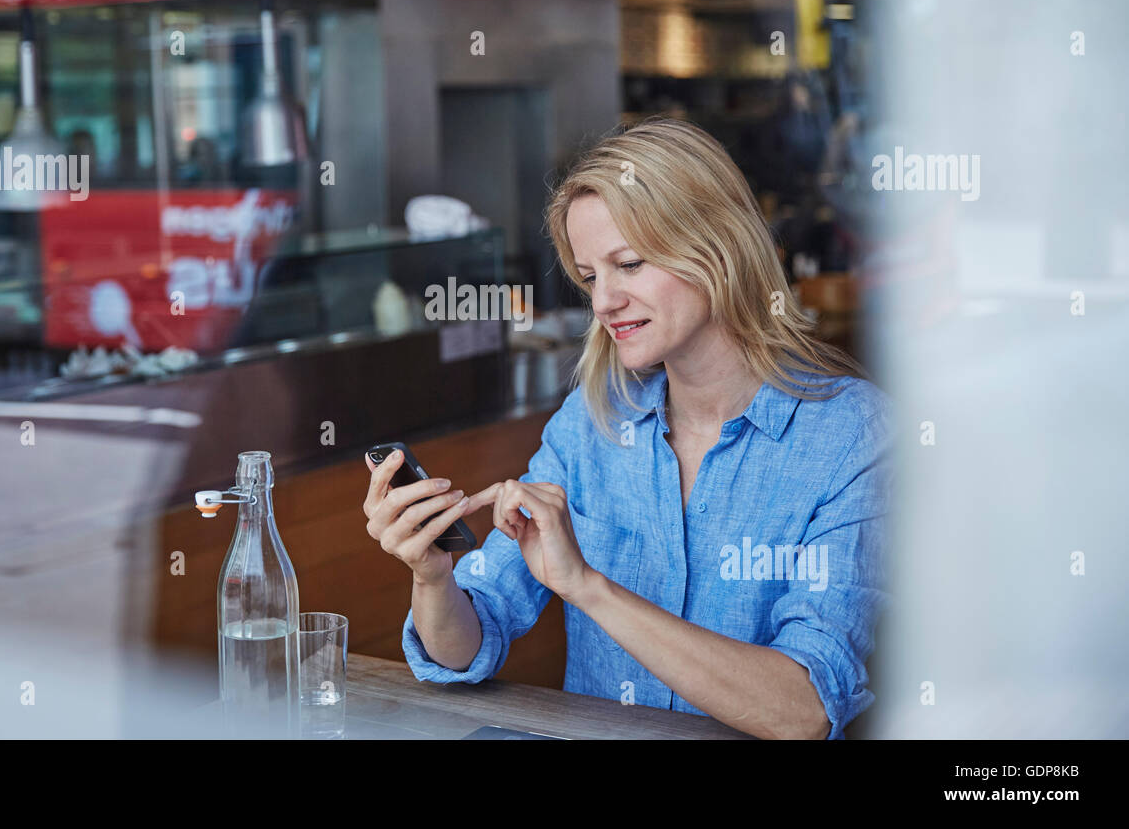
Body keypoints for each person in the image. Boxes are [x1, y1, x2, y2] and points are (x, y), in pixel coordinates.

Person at [361, 118, 892, 739]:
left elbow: (804, 709)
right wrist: (433, 576)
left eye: (630, 264)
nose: (603, 301)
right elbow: (466, 644)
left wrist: (588, 587)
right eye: (590, 276)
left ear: (718, 248)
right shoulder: (591, 423)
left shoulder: (850, 435)